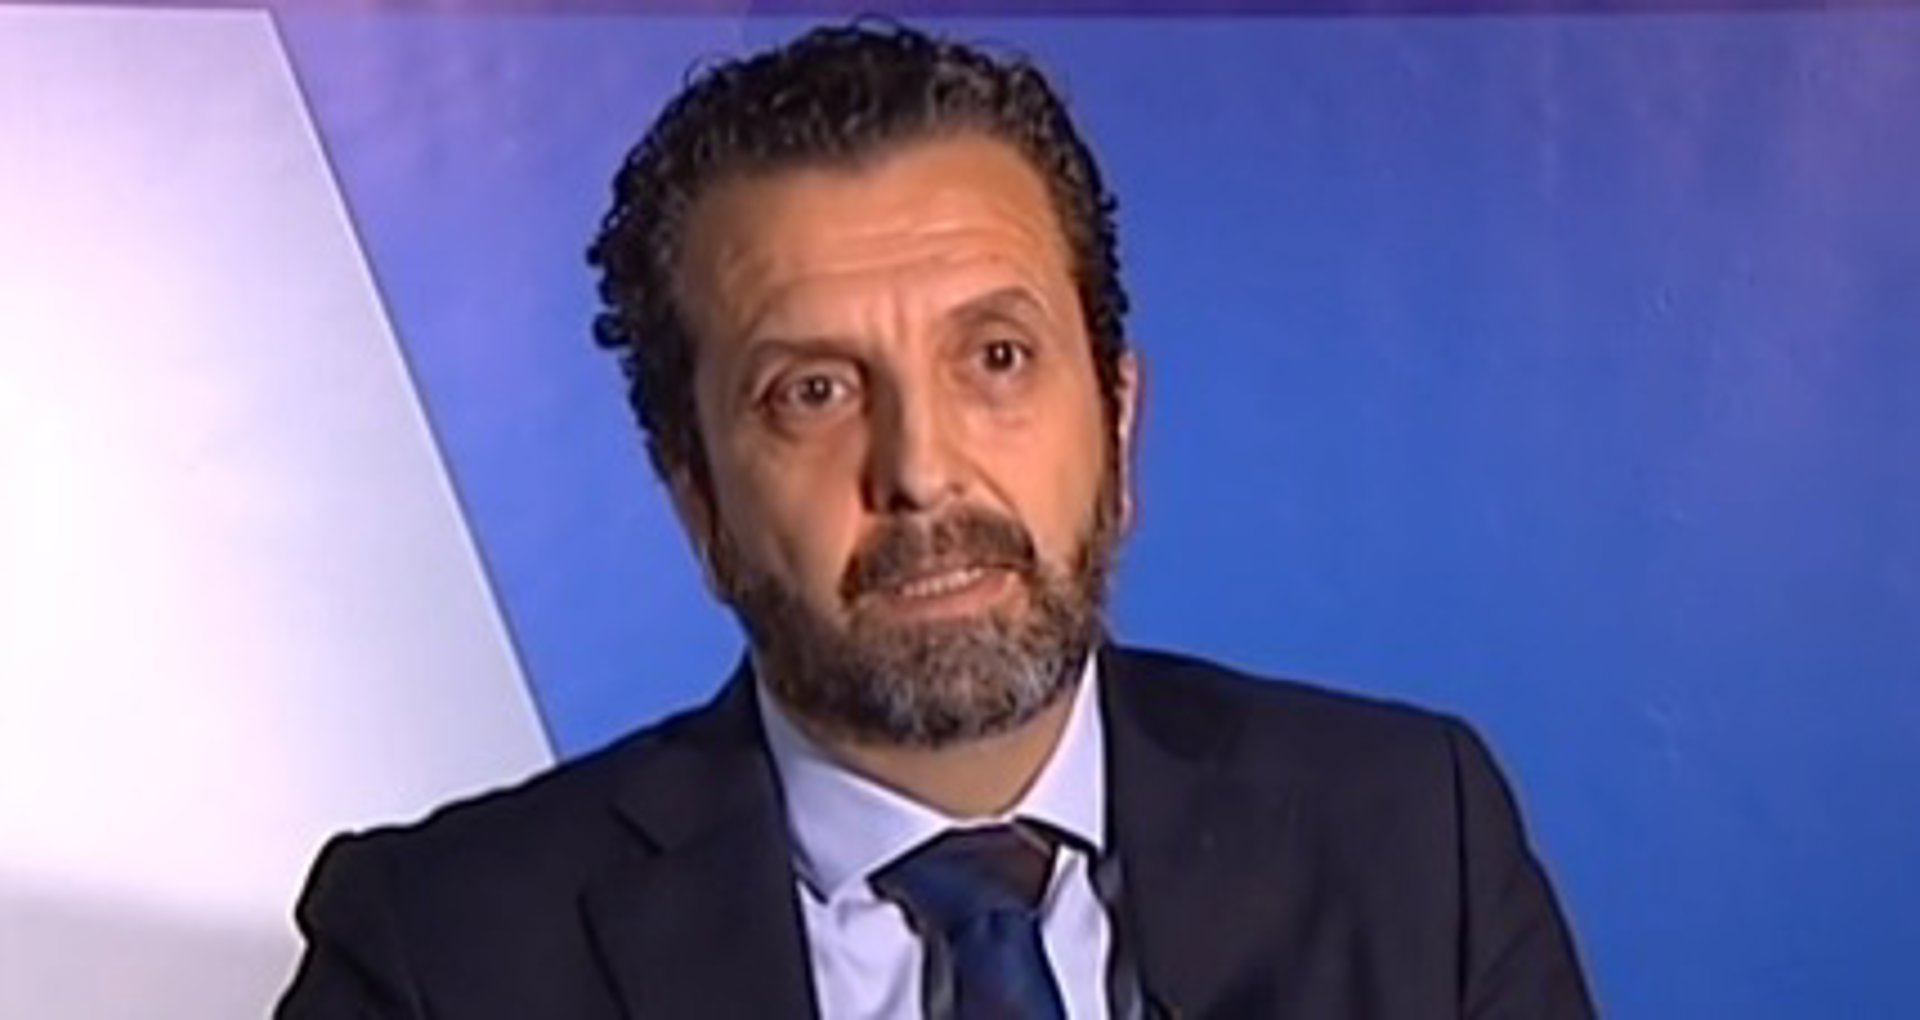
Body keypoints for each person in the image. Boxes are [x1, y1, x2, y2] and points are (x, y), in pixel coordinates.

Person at [278, 21, 1592, 1019]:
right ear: (698, 497)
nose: (922, 470)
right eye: (814, 391)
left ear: (1118, 422)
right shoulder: (442, 954)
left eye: (997, 359)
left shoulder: (1413, 842)